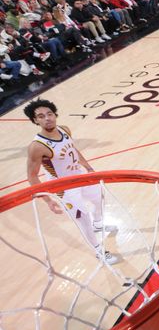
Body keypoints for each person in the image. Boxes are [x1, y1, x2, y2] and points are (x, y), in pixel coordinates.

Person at [24, 99, 118, 264]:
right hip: (64, 187)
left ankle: (98, 224)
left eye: (49, 114)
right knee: (83, 218)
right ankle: (99, 251)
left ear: (55, 115)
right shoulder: (37, 146)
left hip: (80, 176)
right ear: (35, 121)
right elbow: (32, 175)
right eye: (41, 116)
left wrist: (88, 167)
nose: (47, 118)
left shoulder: (64, 129)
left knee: (100, 199)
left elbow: (72, 149)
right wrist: (47, 200)